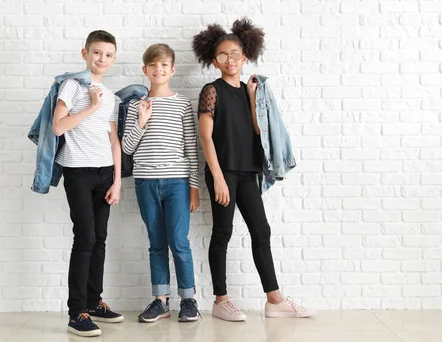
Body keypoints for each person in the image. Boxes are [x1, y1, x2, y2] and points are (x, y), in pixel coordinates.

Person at [192, 18, 316, 321]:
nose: (229, 60)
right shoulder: (212, 90)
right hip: (223, 172)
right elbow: (205, 136)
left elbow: (260, 132)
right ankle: (221, 300)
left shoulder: (252, 92)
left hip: (248, 172)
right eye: (222, 55)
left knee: (262, 231)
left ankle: (274, 300)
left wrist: (250, 98)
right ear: (213, 60)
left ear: (244, 56)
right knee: (222, 232)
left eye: (235, 54)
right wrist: (218, 178)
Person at [121, 43, 201, 323]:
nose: (158, 69)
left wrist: (194, 187)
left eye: (164, 65)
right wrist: (142, 120)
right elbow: (127, 148)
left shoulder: (182, 105)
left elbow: (191, 148)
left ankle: (189, 300)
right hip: (146, 183)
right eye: (153, 65)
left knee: (179, 242)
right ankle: (160, 300)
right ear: (145, 70)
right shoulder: (136, 106)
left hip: (177, 183)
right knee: (156, 243)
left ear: (172, 69)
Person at [52, 30, 123, 337]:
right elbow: (58, 127)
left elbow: (114, 140)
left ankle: (94, 303)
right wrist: (91, 106)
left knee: (100, 239)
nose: (101, 59)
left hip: (106, 173)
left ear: (114, 59)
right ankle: (76, 312)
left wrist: (118, 181)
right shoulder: (72, 85)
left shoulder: (111, 94)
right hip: (78, 173)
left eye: (108, 55)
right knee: (85, 239)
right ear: (85, 53)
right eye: (97, 53)